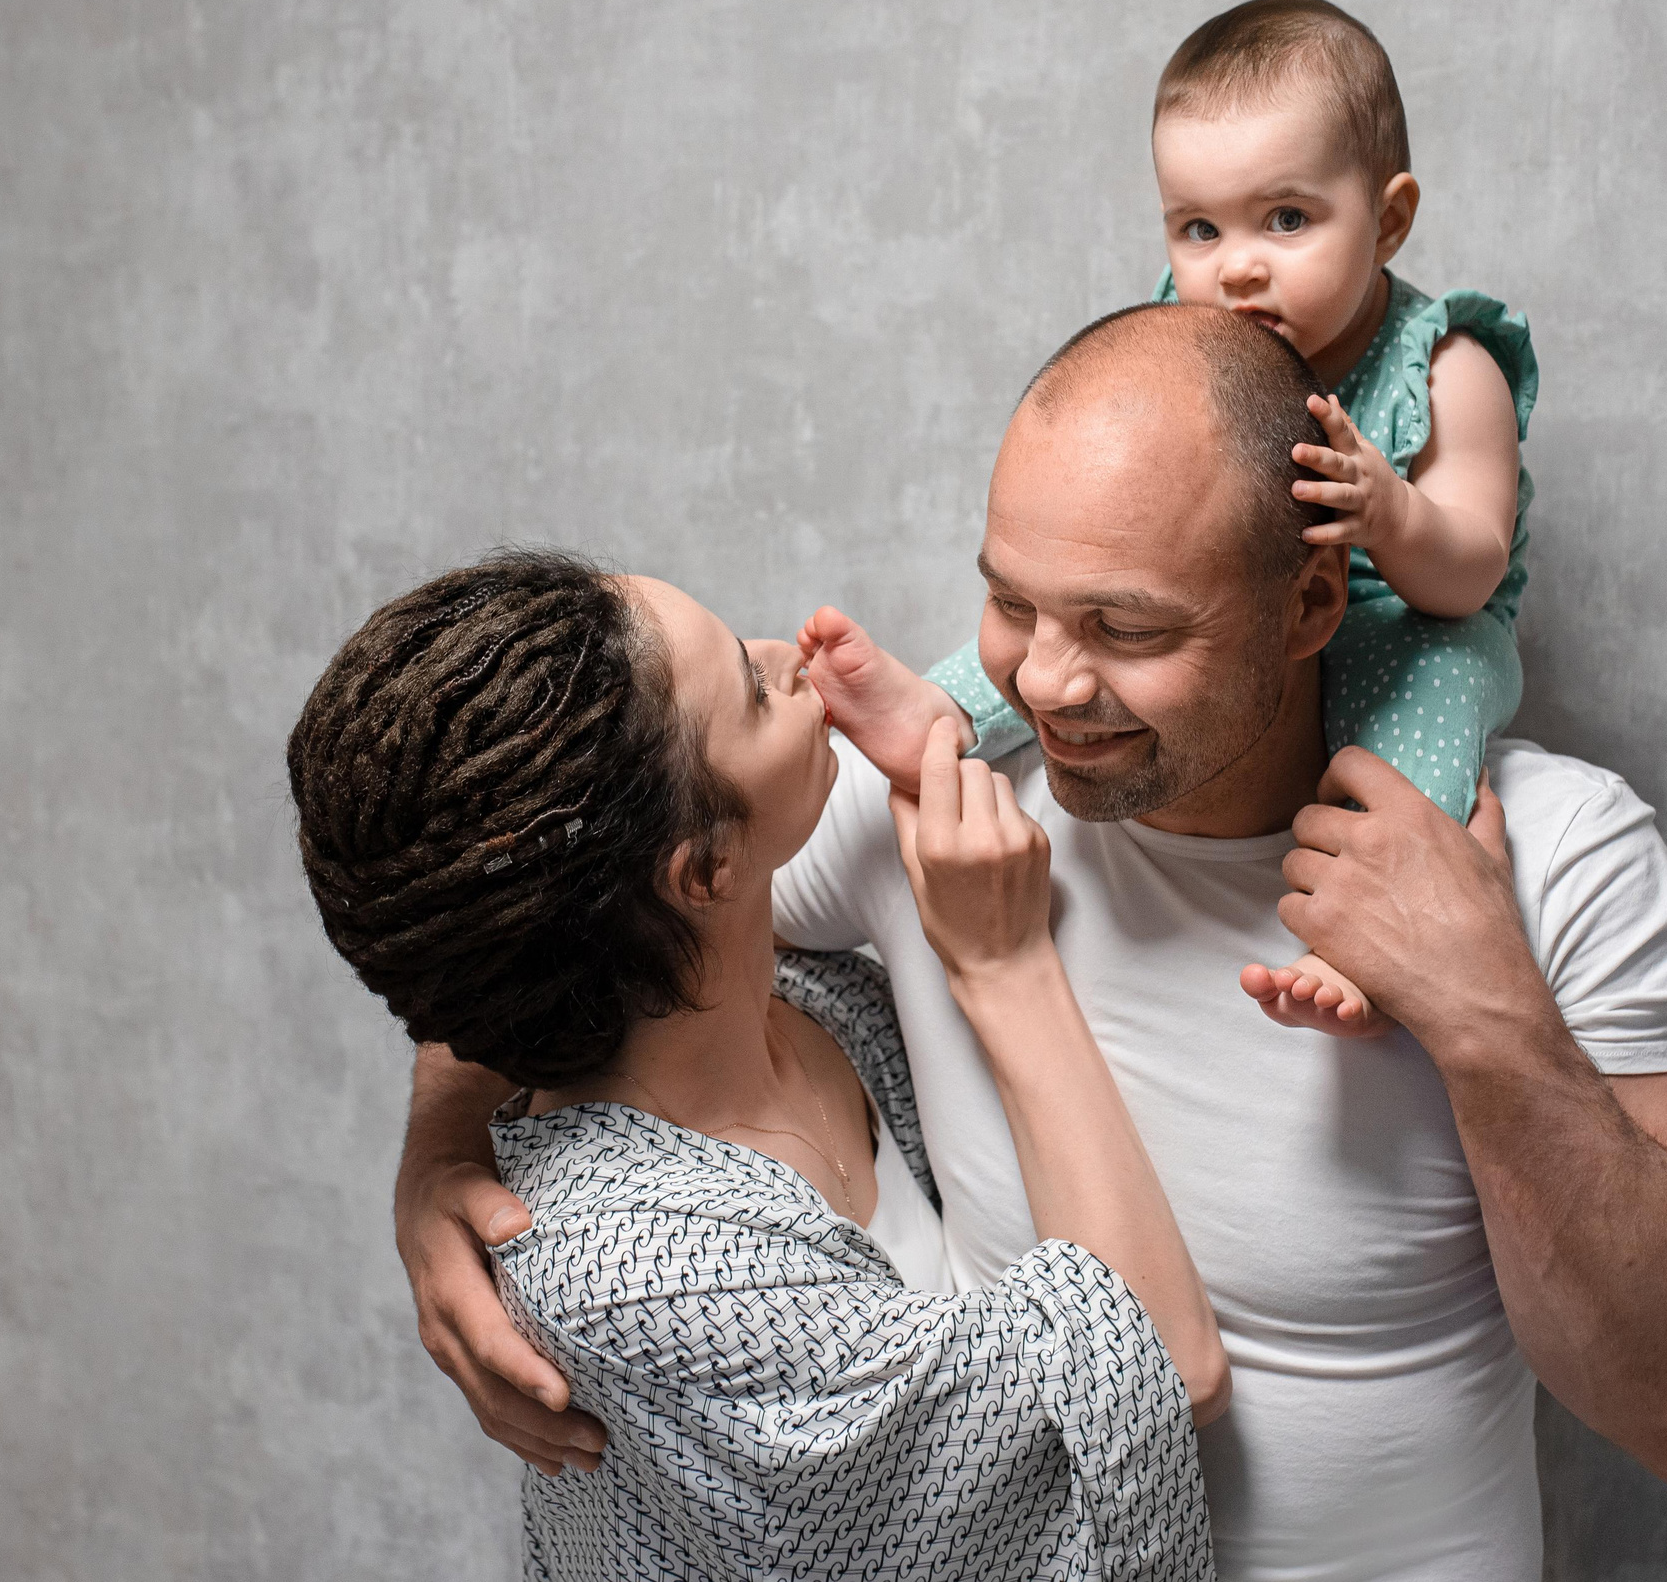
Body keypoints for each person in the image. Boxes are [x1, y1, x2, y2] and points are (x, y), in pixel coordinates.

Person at [404, 308, 1667, 1581]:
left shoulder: (1546, 857)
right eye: (1012, 604)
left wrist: (1491, 1016)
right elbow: (555, 895)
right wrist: (445, 1163)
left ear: (1313, 604)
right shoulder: (934, 811)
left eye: (1128, 630)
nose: (1051, 683)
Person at [286, 551, 1228, 1580]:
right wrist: (1005, 964)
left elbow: (484, 892)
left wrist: (435, 1150)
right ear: (703, 871)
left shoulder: (783, 996)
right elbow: (1157, 1369)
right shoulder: (650, 1277)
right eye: (747, 679)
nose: (790, 658)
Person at [826, 0, 1535, 1031]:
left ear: (1387, 218)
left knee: (1414, 724)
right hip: (1226, 613)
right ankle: (941, 715)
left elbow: (1471, 569)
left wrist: (1389, 512)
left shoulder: (1444, 368)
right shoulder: (1188, 324)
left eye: (1286, 219)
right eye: (1198, 226)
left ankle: (1389, 929)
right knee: (1061, 618)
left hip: (1406, 611)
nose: (1236, 263)